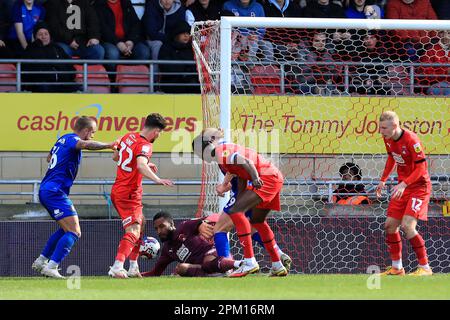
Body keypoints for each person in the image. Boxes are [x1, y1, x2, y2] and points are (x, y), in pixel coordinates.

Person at [192, 128, 288, 277]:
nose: (201, 157)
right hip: (273, 177)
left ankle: (249, 262)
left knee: (235, 212)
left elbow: (245, 162)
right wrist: (239, 194)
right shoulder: (223, 156)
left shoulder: (220, 151)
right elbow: (242, 175)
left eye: (200, 152)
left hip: (264, 179)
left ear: (209, 143)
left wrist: (255, 178)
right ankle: (277, 264)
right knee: (257, 221)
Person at [31, 116, 117, 279]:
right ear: (85, 131)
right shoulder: (74, 140)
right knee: (75, 232)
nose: (92, 136)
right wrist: (109, 145)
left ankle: (42, 261)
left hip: (48, 189)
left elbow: (49, 157)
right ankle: (52, 266)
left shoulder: (63, 138)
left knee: (66, 229)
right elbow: (85, 144)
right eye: (92, 132)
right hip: (54, 192)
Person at [108, 113, 174, 279]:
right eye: (159, 133)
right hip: (129, 193)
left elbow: (116, 156)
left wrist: (142, 164)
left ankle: (133, 266)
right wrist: (157, 178)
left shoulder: (127, 136)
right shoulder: (145, 145)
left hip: (118, 189)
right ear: (156, 131)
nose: (158, 136)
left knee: (141, 223)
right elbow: (141, 165)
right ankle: (117, 266)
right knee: (134, 230)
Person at [376, 111, 433, 276]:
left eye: (384, 128)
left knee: (408, 226)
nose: (381, 131)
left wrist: (404, 183)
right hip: (403, 186)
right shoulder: (387, 138)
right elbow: (391, 158)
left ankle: (425, 267)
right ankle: (397, 268)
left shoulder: (411, 140)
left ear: (395, 126)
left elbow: (422, 168)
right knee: (390, 226)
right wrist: (383, 180)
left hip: (419, 187)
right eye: (380, 128)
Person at [213, 171, 292, 271]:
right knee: (253, 227)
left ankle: (226, 267)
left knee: (220, 229)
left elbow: (235, 168)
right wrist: (226, 185)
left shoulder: (224, 156)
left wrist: (223, 185)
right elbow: (237, 174)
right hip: (264, 187)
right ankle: (279, 256)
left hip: (249, 190)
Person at [141, 211, 242, 277]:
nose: (159, 231)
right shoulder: (167, 250)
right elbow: (155, 272)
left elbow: (211, 218)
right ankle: (219, 272)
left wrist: (203, 224)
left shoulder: (184, 227)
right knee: (181, 268)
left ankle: (237, 264)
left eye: (162, 226)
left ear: (171, 224)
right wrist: (136, 274)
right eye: (156, 229)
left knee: (208, 259)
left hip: (215, 254)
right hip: (201, 267)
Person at [22, 22, 80, 93]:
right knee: (44, 87)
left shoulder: (57, 48)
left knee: (79, 87)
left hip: (61, 84)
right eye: (40, 34)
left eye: (46, 34)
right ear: (35, 36)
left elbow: (69, 65)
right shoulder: (31, 49)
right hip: (43, 85)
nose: (44, 36)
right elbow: (25, 71)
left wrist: (71, 77)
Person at [158, 20, 200, 93]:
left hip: (192, 85)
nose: (186, 35)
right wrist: (185, 67)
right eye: (183, 33)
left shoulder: (193, 48)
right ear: (176, 35)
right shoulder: (166, 48)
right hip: (171, 85)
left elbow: (197, 67)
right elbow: (165, 67)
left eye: (188, 33)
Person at [416, 30, 450, 96]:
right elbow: (424, 74)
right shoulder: (430, 51)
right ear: (440, 34)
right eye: (448, 33)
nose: (446, 36)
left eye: (449, 33)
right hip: (437, 84)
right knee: (446, 89)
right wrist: (446, 72)